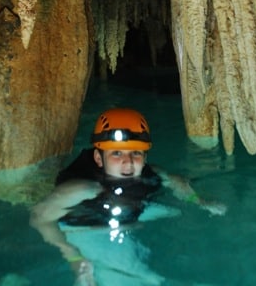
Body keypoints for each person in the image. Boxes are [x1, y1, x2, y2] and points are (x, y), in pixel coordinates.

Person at [30, 108, 227, 285]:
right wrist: (72, 256)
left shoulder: (150, 174)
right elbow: (39, 218)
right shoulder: (81, 189)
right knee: (143, 278)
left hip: (128, 217)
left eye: (136, 154)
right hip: (87, 228)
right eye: (116, 153)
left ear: (145, 158)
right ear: (99, 158)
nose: (128, 162)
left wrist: (199, 201)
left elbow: (174, 180)